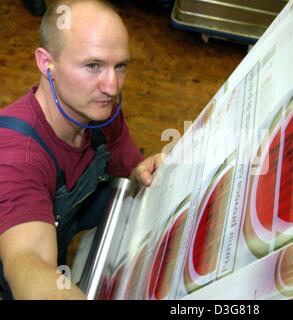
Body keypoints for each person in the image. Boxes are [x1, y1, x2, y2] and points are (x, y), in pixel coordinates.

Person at [0, 0, 162, 299]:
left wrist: (140, 174)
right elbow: (28, 259)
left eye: (120, 66)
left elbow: (128, 171)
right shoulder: (15, 156)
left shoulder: (98, 112)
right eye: (93, 66)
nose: (112, 87)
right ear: (45, 63)